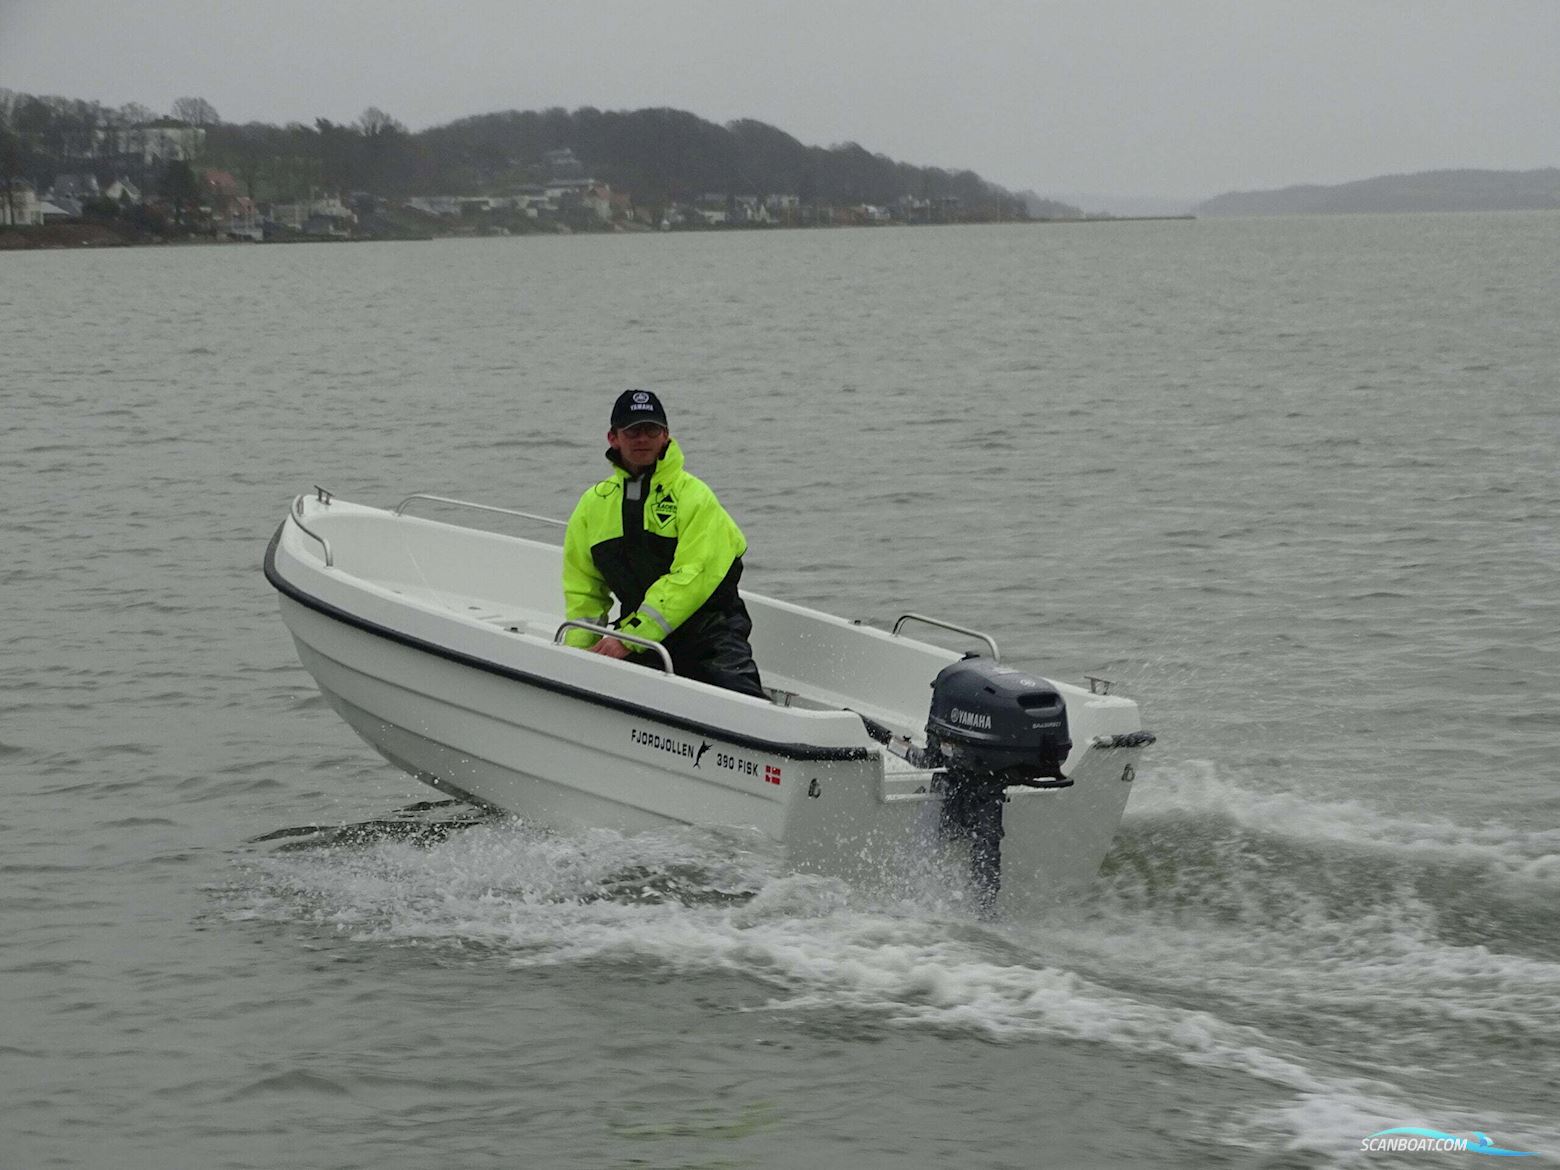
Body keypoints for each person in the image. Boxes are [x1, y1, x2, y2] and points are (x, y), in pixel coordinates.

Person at [561, 389, 766, 699]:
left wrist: (629, 638)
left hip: (709, 635)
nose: (642, 438)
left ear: (666, 436)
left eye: (651, 429)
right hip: (639, 636)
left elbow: (692, 576)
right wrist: (576, 657)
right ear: (613, 437)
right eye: (632, 430)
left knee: (742, 703)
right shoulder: (592, 505)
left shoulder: (696, 497)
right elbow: (584, 592)